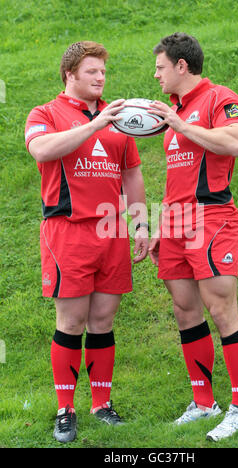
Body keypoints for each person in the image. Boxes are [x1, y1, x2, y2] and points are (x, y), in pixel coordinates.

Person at [25, 41, 149, 443]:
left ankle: (101, 404)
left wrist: (141, 224)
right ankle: (65, 409)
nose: (100, 79)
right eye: (92, 72)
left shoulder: (122, 119)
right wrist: (95, 124)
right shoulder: (45, 113)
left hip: (112, 231)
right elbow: (42, 150)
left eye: (103, 73)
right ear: (70, 74)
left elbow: (131, 174)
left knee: (102, 322)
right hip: (69, 230)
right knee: (72, 322)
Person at [148, 32, 238, 441]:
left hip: (212, 218)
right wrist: (160, 223)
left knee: (221, 309)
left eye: (160, 67)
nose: (156, 75)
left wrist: (178, 124)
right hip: (175, 221)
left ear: (181, 65)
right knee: (184, 310)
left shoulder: (219, 98)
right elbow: (178, 174)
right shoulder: (179, 110)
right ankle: (204, 402)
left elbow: (236, 142)